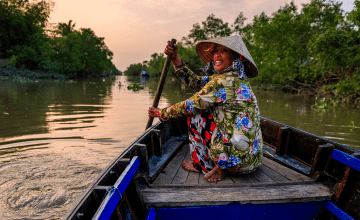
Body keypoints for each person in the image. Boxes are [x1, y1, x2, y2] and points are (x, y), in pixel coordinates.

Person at [148, 35, 263, 183]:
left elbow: (189, 106)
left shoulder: (223, 82)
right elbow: (197, 83)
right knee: (206, 111)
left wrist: (161, 113)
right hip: (252, 162)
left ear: (237, 58)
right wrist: (176, 60)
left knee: (195, 115)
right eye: (216, 51)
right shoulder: (236, 78)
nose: (217, 55)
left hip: (237, 163)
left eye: (224, 51)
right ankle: (222, 164)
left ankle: (203, 164)